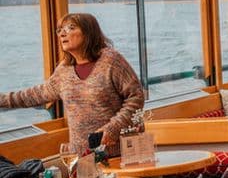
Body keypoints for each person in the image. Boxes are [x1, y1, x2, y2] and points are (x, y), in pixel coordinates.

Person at [0, 13, 144, 156]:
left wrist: (114, 128)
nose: (62, 34)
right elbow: (33, 95)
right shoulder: (64, 70)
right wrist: (2, 100)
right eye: (60, 30)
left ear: (88, 33)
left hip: (120, 152)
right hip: (82, 158)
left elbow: (136, 97)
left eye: (70, 28)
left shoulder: (111, 60)